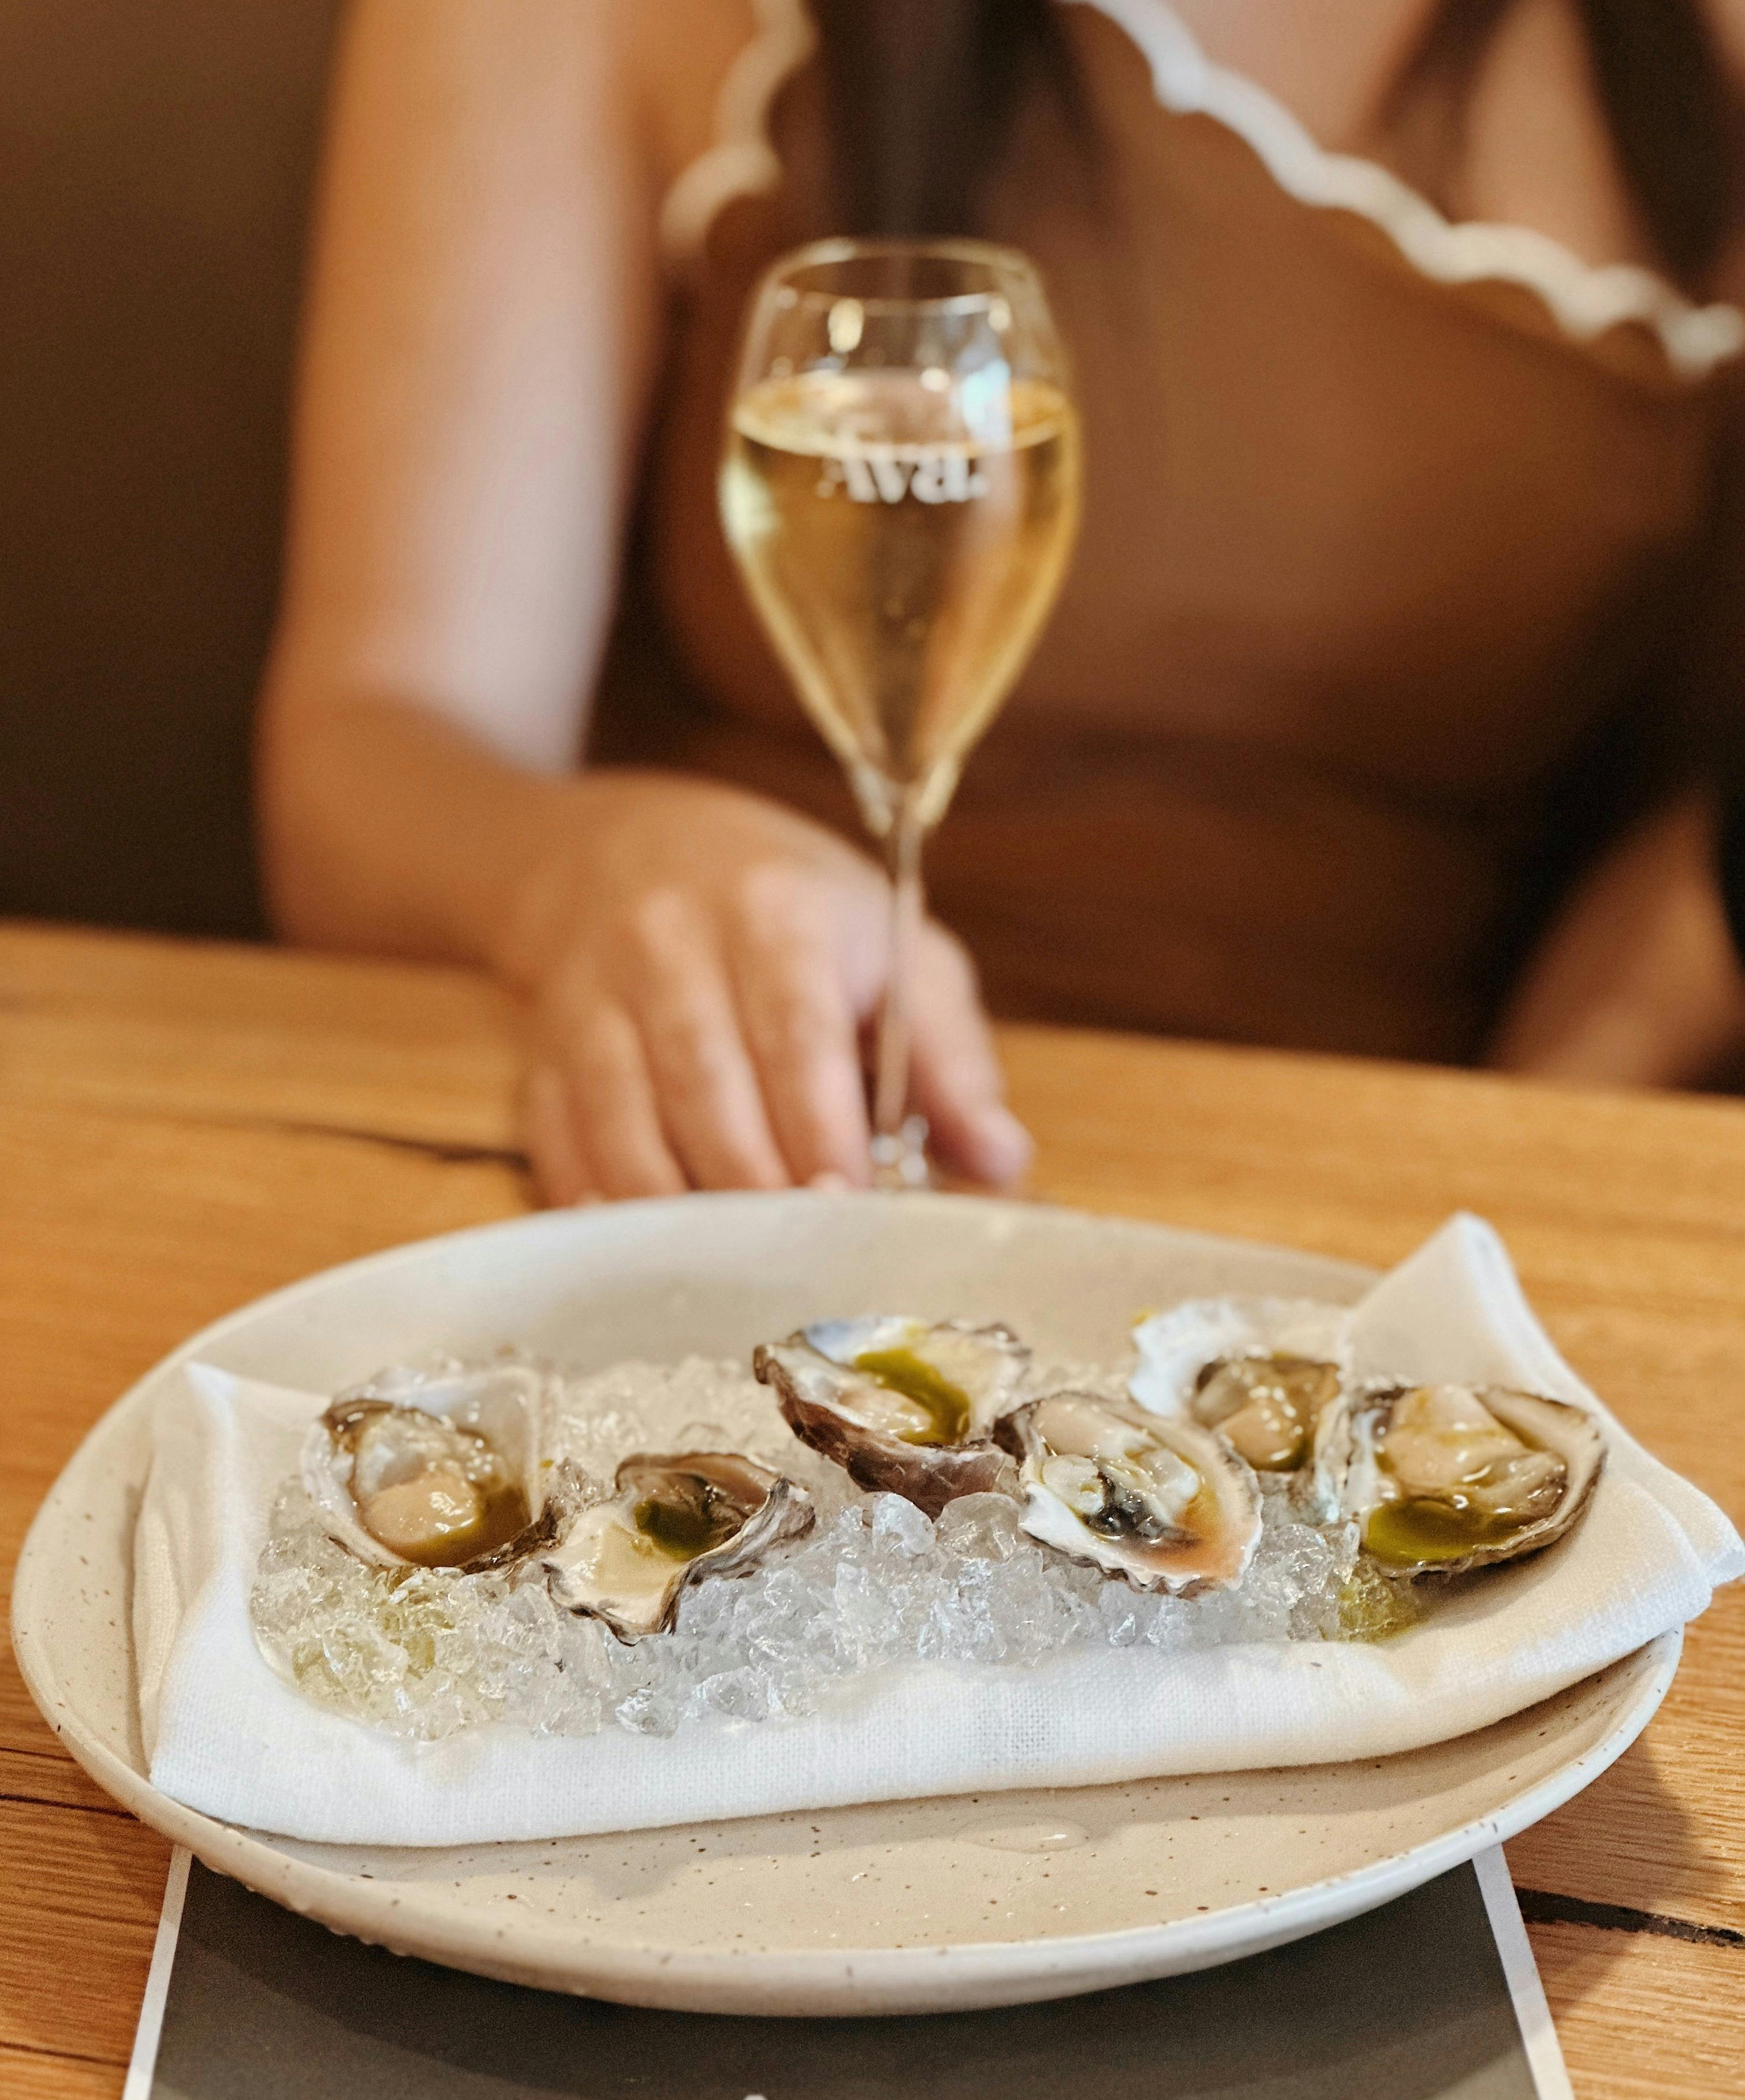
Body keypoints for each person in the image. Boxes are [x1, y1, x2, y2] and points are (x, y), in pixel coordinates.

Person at [258, 0, 1745, 1203]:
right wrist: (583, 875)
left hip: (1373, 1208)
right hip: (747, 1151)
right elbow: (372, 736)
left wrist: (1532, 1147)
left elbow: (1699, 821)